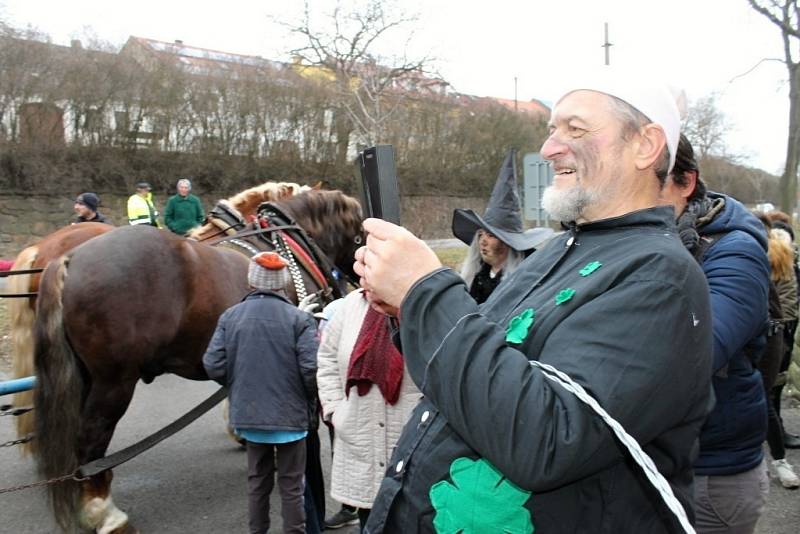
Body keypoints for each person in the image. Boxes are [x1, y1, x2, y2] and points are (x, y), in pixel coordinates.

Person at [354, 71, 714, 533]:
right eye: (551, 131)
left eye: (575, 129)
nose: (549, 149)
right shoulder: (558, 251)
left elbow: (546, 441)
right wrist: (408, 309)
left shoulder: (661, 276)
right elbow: (486, 368)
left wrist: (425, 291)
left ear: (645, 145)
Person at [658, 134, 772, 530]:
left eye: (647, 187)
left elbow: (698, 352)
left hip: (711, 475)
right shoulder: (650, 239)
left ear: (686, 183)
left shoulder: (734, 250)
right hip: (657, 463)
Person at [203, 252, 319, 534]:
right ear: (281, 284)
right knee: (292, 486)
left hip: (250, 418)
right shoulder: (299, 319)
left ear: (251, 281)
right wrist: (307, 399)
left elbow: (212, 364)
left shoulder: (230, 316)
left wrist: (238, 384)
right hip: (291, 419)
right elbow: (310, 370)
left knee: (257, 483)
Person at [317, 288, 423, 531]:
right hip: (360, 441)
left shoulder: (422, 301)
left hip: (411, 443)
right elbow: (327, 359)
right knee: (369, 522)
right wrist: (335, 410)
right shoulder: (350, 306)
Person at [452, 149, 553, 304]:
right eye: (481, 234)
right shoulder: (476, 276)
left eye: (491, 235)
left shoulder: (528, 277)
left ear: (508, 242)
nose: (483, 241)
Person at [766, 211, 800, 450]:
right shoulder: (781, 259)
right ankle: (775, 436)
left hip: (776, 330)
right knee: (772, 388)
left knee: (771, 389)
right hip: (780, 333)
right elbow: (787, 303)